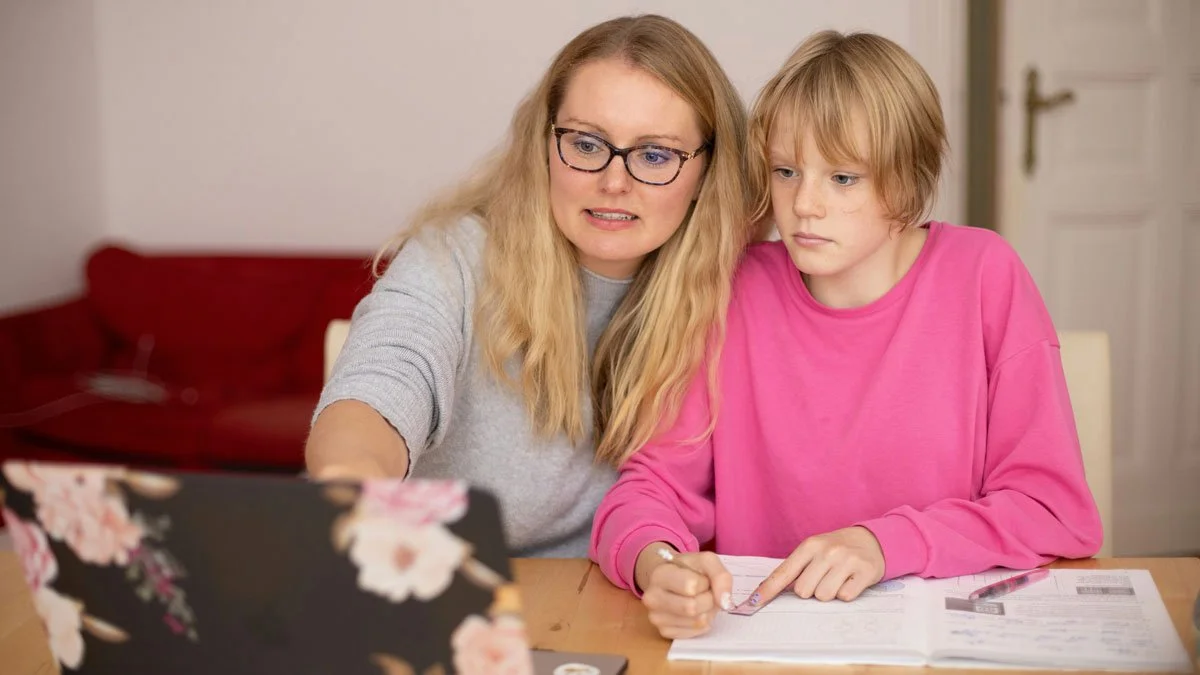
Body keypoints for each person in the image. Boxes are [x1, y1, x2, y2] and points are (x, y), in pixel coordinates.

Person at [590, 29, 1103, 637]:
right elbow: (648, 490)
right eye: (786, 171)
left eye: (843, 178)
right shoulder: (732, 289)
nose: (804, 204)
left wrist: (884, 544)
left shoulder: (984, 275)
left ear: (907, 181)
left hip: (939, 643)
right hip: (763, 645)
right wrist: (660, 565)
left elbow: (1052, 512)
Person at [305, 14, 756, 558]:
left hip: (609, 604)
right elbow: (380, 384)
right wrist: (353, 480)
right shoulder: (456, 257)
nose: (615, 182)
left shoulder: (738, 291)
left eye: (654, 155)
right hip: (434, 586)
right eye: (587, 145)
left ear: (708, 168)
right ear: (544, 144)